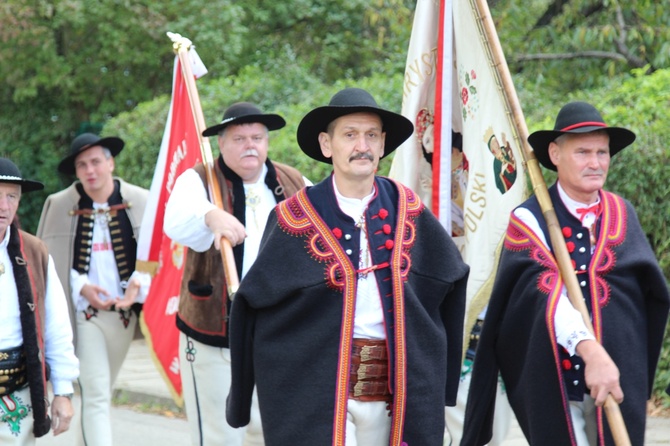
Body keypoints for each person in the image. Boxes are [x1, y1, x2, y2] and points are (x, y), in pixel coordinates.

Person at [226, 87, 469, 445]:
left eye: (372, 135)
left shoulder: (410, 209)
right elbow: (254, 304)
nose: (363, 146)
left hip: (399, 395)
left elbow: (451, 281)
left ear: (384, 145)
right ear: (327, 145)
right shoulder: (293, 217)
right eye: (350, 135)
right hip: (318, 396)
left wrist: (441, 381)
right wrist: (245, 397)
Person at [461, 101, 670, 445]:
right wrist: (590, 352)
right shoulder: (529, 221)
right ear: (555, 154)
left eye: (602, 152)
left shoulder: (622, 212)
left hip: (616, 381)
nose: (596, 163)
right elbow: (543, 295)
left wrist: (629, 363)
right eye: (583, 152)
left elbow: (646, 299)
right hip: (553, 380)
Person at [163, 102, 307, 446]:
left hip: (276, 331)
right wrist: (210, 215)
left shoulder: (292, 180)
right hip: (214, 333)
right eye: (239, 138)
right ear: (222, 144)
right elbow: (175, 220)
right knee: (220, 433)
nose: (250, 145)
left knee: (267, 430)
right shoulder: (200, 180)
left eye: (257, 137)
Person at [36, 133, 149, 446]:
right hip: (84, 317)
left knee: (101, 391)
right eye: (81, 164)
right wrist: (82, 286)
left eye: (96, 161)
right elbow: (49, 264)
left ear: (110, 162)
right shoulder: (59, 205)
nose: (90, 170)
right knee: (96, 393)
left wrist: (137, 285)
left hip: (127, 318)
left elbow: (160, 257)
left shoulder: (141, 200)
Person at [0, 158, 79, 444]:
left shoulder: (34, 251)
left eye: (12, 196)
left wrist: (63, 390)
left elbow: (56, 324)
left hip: (17, 391)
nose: (4, 206)